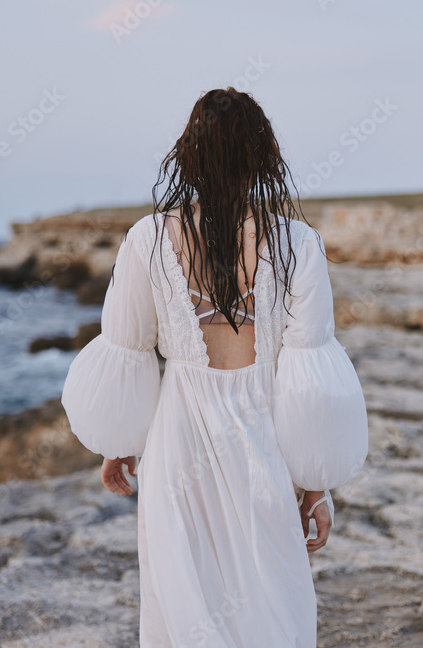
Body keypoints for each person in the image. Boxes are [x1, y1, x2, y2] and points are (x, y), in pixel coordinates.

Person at [61, 87, 369, 647]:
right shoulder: (299, 244)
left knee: (184, 610)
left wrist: (120, 442)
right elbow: (308, 383)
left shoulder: (148, 239)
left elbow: (127, 353)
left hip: (178, 443)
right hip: (264, 441)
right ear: (261, 157)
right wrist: (315, 487)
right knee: (275, 605)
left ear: (190, 157)